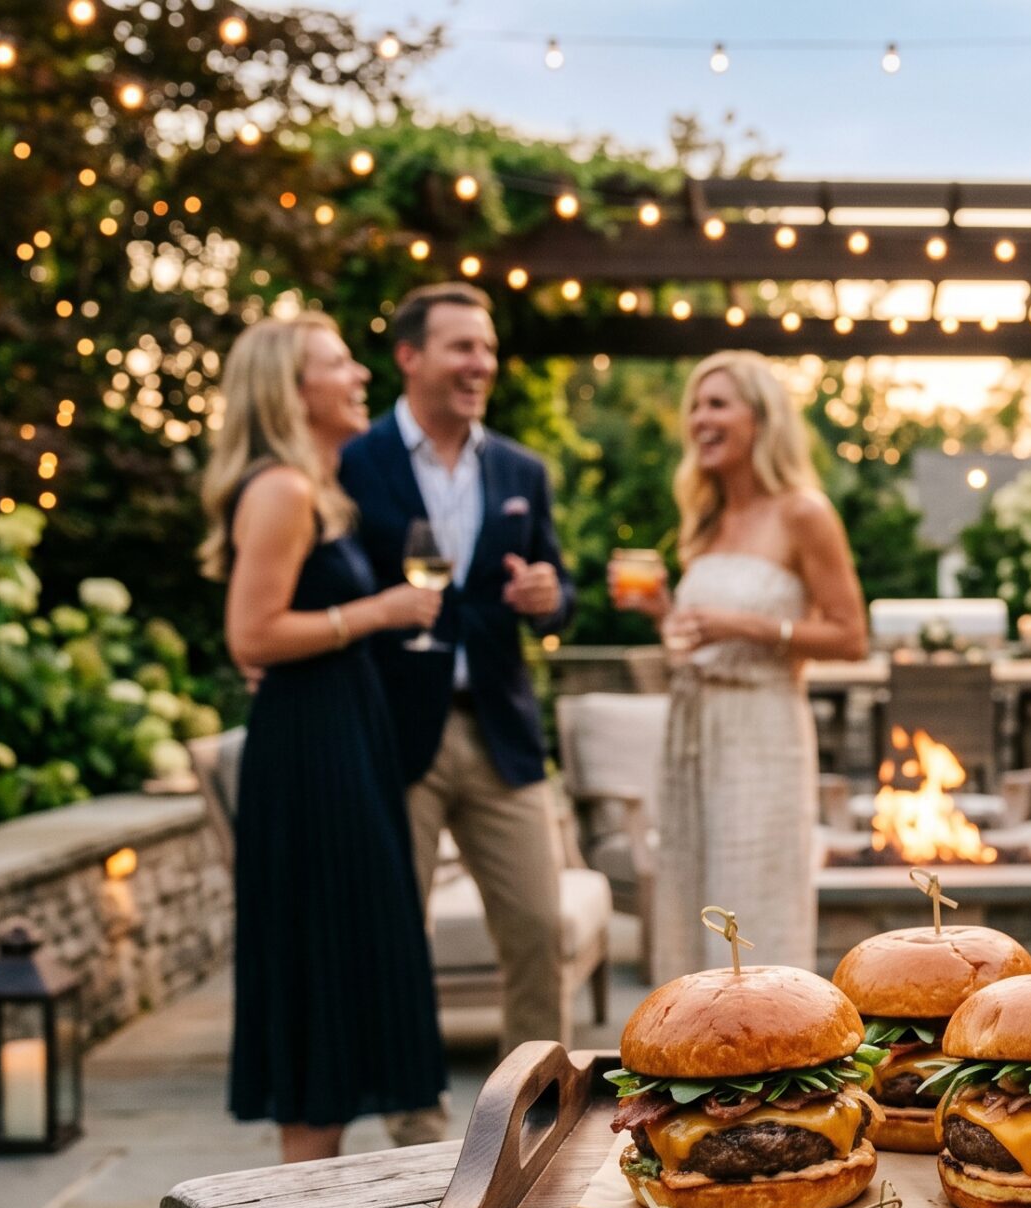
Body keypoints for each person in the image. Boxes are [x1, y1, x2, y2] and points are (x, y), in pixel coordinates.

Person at [199, 314, 447, 1164]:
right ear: (291, 389)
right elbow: (251, 634)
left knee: (348, 972)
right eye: (339, 363)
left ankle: (318, 1203)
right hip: (313, 762)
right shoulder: (281, 490)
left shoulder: (317, 486)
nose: (359, 375)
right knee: (323, 977)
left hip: (343, 743)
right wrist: (379, 611)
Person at [340, 283, 575, 1093]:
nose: (481, 364)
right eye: (462, 347)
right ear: (409, 356)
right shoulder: (353, 461)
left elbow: (560, 586)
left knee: (538, 927)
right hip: (391, 729)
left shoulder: (520, 469)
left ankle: (534, 1116)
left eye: (488, 349)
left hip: (499, 729)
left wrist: (549, 595)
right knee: (393, 935)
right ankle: (411, 1122)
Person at [610, 351, 868, 981]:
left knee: (752, 904)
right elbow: (698, 639)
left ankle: (770, 1034)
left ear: (761, 418)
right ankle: (691, 1033)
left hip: (761, 733)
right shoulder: (706, 520)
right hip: (691, 731)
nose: (700, 419)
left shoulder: (804, 512)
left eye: (717, 404)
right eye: (695, 406)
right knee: (690, 900)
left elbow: (850, 637)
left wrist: (742, 625)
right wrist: (664, 611)